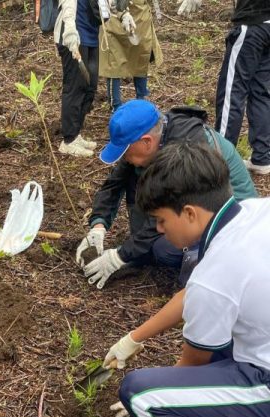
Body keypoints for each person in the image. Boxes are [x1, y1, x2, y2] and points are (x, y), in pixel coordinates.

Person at [114, 142, 270, 417]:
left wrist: (161, 392)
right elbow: (195, 292)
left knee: (140, 394)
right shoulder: (253, 211)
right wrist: (133, 339)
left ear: (189, 213)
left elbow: (194, 362)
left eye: (162, 220)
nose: (159, 230)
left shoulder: (217, 273)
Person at [75, 99, 257, 289]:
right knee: (134, 173)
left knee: (165, 250)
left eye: (126, 152)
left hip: (232, 219)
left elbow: (172, 205)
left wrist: (120, 256)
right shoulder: (150, 140)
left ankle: (205, 263)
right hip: (192, 205)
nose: (126, 158)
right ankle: (144, 249)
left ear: (146, 142)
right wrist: (98, 226)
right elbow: (114, 184)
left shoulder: (186, 148)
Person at [178, 0, 270, 175]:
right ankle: (262, 157)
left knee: (231, 91)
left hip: (252, 23)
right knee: (261, 92)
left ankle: (220, 158)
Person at [55, 0, 101, 156]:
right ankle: (68, 140)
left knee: (90, 87)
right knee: (75, 87)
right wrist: (69, 29)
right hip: (73, 36)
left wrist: (123, 13)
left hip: (92, 35)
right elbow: (66, 4)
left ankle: (76, 133)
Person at [100, 0, 162, 112]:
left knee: (140, 57)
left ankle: (142, 99)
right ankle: (116, 106)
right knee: (114, 62)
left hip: (140, 19)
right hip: (115, 18)